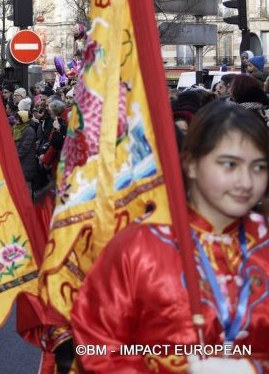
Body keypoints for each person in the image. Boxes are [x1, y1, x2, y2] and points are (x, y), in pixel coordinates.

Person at [71, 101, 269, 373]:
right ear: (191, 165)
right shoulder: (139, 247)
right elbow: (96, 346)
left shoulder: (264, 243)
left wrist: (253, 368)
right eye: (229, 165)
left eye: (258, 167)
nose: (246, 182)